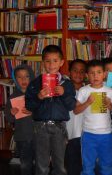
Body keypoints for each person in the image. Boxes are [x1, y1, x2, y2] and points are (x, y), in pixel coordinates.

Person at [25, 45, 77, 175]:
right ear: (43, 63)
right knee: (41, 163)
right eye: (47, 61)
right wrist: (39, 97)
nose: (51, 64)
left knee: (59, 163)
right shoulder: (35, 83)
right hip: (40, 126)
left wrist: (64, 93)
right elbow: (29, 105)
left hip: (59, 127)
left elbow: (71, 105)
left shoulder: (67, 83)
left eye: (55, 61)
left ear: (61, 62)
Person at [74, 59, 112, 175]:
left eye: (99, 72)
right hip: (88, 134)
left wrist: (109, 105)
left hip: (106, 134)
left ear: (104, 74)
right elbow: (76, 111)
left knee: (107, 164)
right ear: (87, 75)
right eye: (92, 73)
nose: (95, 76)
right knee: (88, 165)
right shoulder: (84, 90)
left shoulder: (110, 91)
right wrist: (87, 102)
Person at [5, 64, 35, 175]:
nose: (23, 80)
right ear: (15, 79)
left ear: (31, 77)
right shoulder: (12, 97)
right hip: (22, 137)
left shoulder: (36, 95)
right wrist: (11, 114)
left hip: (39, 136)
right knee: (25, 164)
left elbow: (44, 112)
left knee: (41, 164)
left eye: (26, 76)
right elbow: (9, 118)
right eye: (19, 77)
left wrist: (33, 112)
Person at [65, 59, 87, 175]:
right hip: (69, 136)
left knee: (86, 166)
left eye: (82, 71)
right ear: (69, 72)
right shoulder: (63, 91)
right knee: (72, 166)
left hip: (86, 135)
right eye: (75, 70)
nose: (78, 74)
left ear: (86, 74)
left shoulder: (89, 91)